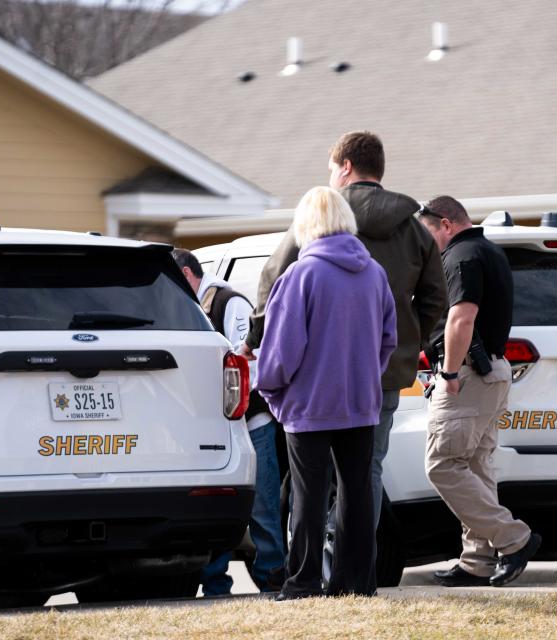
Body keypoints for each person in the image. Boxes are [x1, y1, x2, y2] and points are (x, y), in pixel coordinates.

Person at [239, 131, 446, 534]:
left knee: (311, 477)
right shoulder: (414, 228)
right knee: (366, 471)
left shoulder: (319, 217)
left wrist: (255, 340)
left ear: (346, 167)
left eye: (332, 168)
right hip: (382, 372)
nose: (331, 176)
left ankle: (310, 569)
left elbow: (274, 279)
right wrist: (406, 345)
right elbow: (436, 298)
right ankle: (356, 565)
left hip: (317, 374)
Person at [255, 186, 397, 600]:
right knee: (356, 494)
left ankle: (302, 582)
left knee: (308, 497)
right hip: (361, 402)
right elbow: (389, 339)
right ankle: (355, 582)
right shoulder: (374, 272)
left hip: (309, 405)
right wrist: (366, 376)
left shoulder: (300, 276)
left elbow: (281, 350)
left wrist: (271, 390)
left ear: (306, 224)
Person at [417, 196, 541, 588]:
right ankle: (477, 561)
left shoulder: (462, 256)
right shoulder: (488, 250)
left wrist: (449, 371)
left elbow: (462, 316)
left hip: (468, 374)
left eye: (428, 234)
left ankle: (514, 538)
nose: (427, 244)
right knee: (475, 466)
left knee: (442, 464)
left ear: (446, 224)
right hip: (491, 373)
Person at [171, 249, 287, 596]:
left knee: (263, 507)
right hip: (211, 426)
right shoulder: (187, 308)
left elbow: (247, 357)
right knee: (215, 507)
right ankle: (215, 582)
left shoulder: (229, 303)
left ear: (189, 274)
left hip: (250, 422)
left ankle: (272, 577)